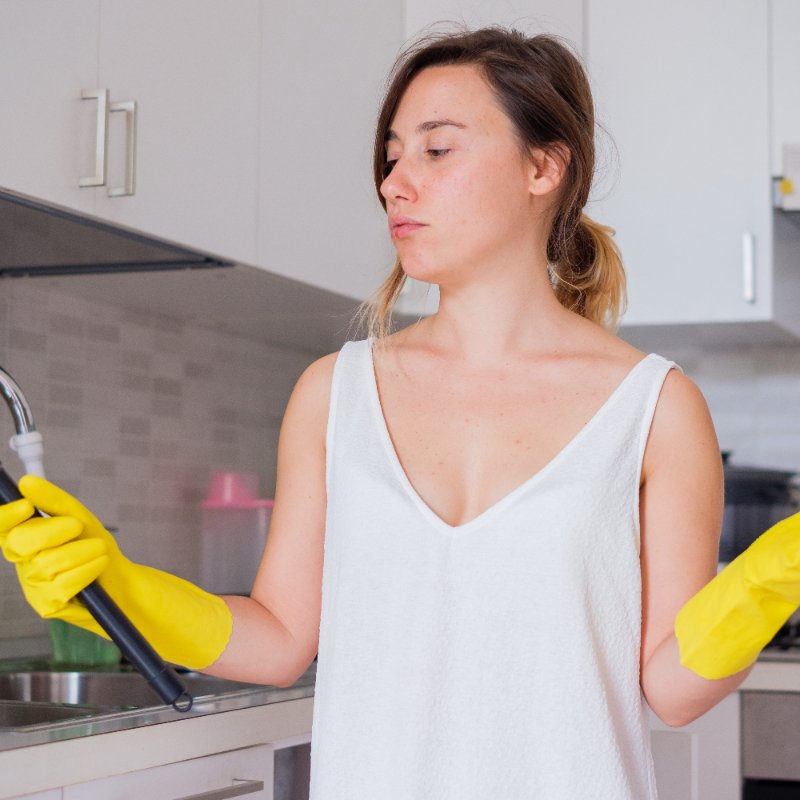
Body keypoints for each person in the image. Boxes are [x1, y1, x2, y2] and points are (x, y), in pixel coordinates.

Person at [1, 26, 800, 799]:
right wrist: (120, 589)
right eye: (390, 158)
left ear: (543, 167)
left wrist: (774, 574)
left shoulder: (655, 409)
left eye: (437, 149)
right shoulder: (333, 393)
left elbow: (671, 689)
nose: (395, 182)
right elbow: (280, 638)